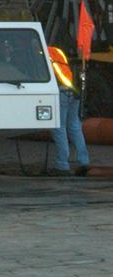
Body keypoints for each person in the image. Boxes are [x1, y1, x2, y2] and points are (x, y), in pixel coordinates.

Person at [47, 44, 90, 177]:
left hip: (60, 92)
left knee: (59, 127)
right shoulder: (57, 50)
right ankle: (83, 161)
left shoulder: (42, 53)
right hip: (72, 90)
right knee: (74, 126)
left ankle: (62, 165)